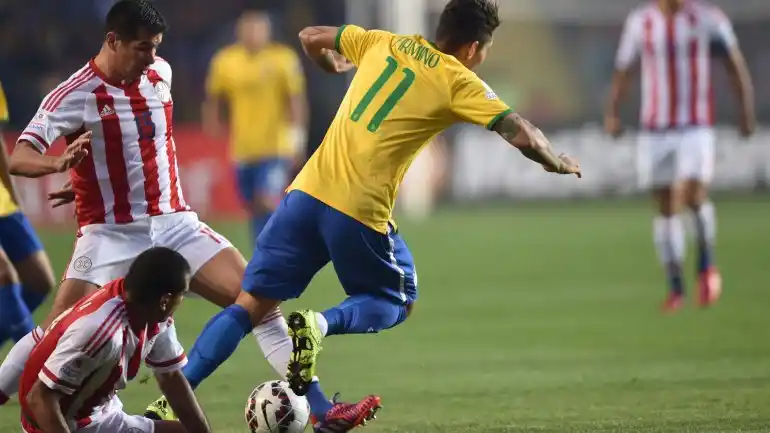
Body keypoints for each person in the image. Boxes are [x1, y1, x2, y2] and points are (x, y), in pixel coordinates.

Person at [146, 0, 580, 431]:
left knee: (250, 306)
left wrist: (330, 63)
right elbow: (521, 130)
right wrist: (555, 161)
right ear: (472, 49)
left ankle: (168, 404)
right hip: (357, 209)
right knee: (398, 299)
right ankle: (320, 324)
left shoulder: (381, 42)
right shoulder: (458, 79)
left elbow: (310, 37)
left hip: (304, 194)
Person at [1, 0, 291, 406]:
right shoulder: (75, 93)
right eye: (142, 47)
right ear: (112, 41)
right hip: (110, 234)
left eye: (156, 46)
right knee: (55, 332)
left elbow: (143, 146)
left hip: (175, 224)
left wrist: (97, 175)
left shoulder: (160, 73)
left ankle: (318, 407)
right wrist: (58, 163)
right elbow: (19, 156)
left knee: (260, 299)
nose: (152, 56)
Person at [605, 0, 755, 312]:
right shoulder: (640, 22)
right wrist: (613, 113)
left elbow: (733, 63)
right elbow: (623, 70)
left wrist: (745, 110)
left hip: (695, 126)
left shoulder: (708, 19)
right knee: (666, 206)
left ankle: (706, 266)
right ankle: (675, 288)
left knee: (692, 193)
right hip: (654, 129)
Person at [19, 247, 212, 433]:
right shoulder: (101, 331)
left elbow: (171, 379)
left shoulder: (149, 309)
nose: (182, 302)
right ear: (165, 300)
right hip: (60, 424)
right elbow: (39, 399)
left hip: (101, 414)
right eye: (182, 295)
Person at [202, 10, 308, 242]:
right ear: (238, 31)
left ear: (267, 31)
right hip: (243, 147)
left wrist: (297, 138)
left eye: (258, 29)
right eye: (248, 29)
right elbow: (214, 96)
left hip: (275, 146)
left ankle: (282, 245)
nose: (252, 34)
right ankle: (263, 248)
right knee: (251, 205)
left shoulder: (283, 59)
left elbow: (295, 100)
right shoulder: (225, 60)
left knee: (267, 199)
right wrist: (213, 121)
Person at [0, 80, 56, 361]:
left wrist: (11, 192)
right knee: (4, 274)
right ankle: (33, 364)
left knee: (40, 281)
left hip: (3, 204)